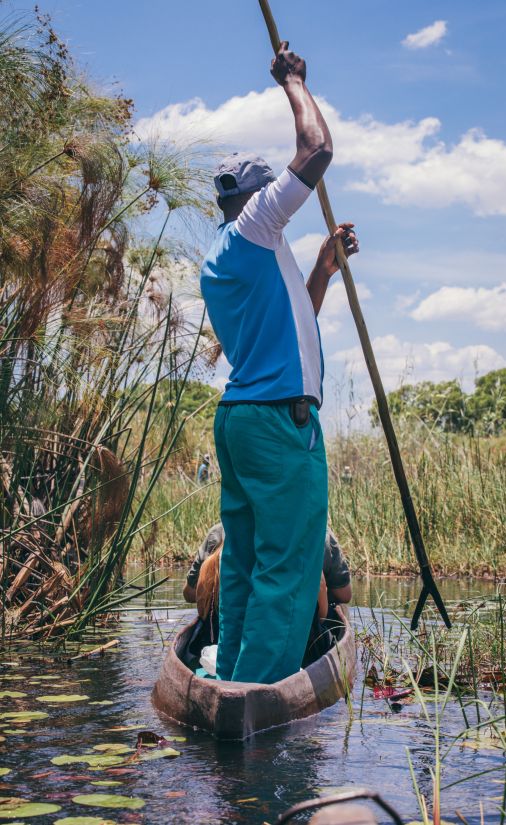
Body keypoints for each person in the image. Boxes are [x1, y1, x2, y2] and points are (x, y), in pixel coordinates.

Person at [200, 42, 358, 684]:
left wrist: (321, 269)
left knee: (241, 561)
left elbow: (294, 332)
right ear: (259, 198)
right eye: (276, 195)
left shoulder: (231, 257)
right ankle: (258, 698)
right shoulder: (257, 229)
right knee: (288, 567)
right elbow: (318, 150)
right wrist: (294, 81)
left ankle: (230, 678)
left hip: (243, 419)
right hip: (277, 425)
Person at [184, 524, 352, 667]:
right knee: (334, 611)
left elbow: (192, 596)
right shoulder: (313, 536)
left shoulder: (220, 539)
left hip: (230, 639)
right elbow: (342, 597)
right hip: (294, 644)